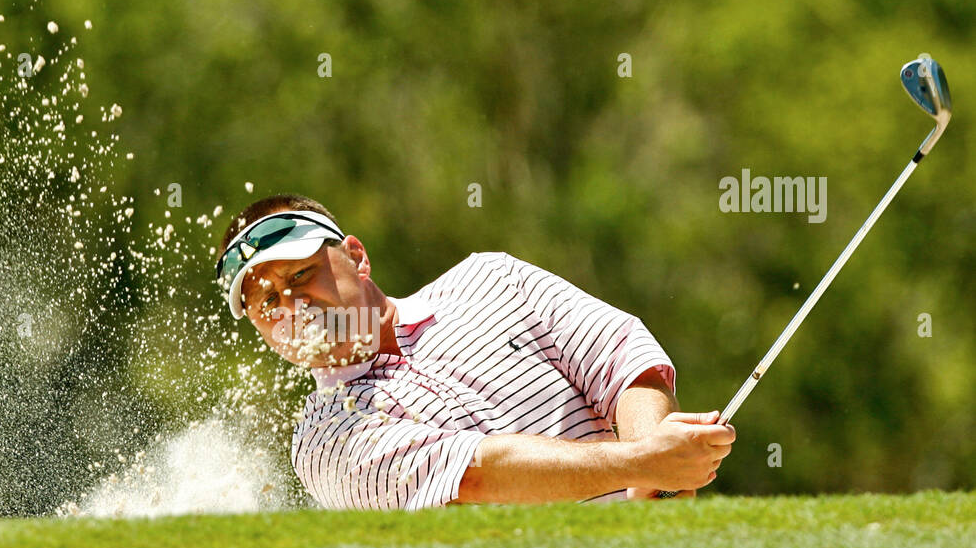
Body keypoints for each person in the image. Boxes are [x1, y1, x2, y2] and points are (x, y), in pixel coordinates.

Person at [215, 193, 735, 511]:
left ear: (356, 256)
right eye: (267, 301)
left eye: (301, 275)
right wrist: (643, 463)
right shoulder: (324, 440)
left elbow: (622, 358)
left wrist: (658, 480)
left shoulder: (490, 276)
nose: (292, 305)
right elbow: (478, 475)